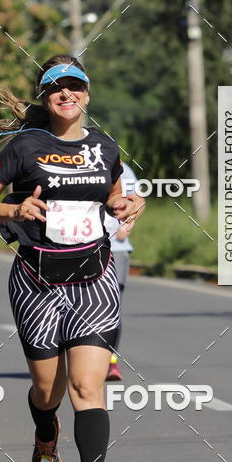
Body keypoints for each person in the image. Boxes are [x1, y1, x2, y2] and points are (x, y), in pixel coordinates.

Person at [0, 55, 142, 462]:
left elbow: (112, 196)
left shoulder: (105, 147)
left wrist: (126, 204)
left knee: (88, 387)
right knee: (48, 391)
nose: (66, 94)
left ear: (87, 94)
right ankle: (45, 434)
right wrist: (13, 209)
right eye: (56, 88)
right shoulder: (24, 146)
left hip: (94, 278)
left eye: (75, 86)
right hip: (37, 281)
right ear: (46, 98)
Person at [104, 161, 138, 381]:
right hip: (81, 246)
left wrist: (127, 224)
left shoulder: (123, 169)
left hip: (116, 247)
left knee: (112, 306)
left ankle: (110, 362)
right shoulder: (77, 164)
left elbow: (136, 200)